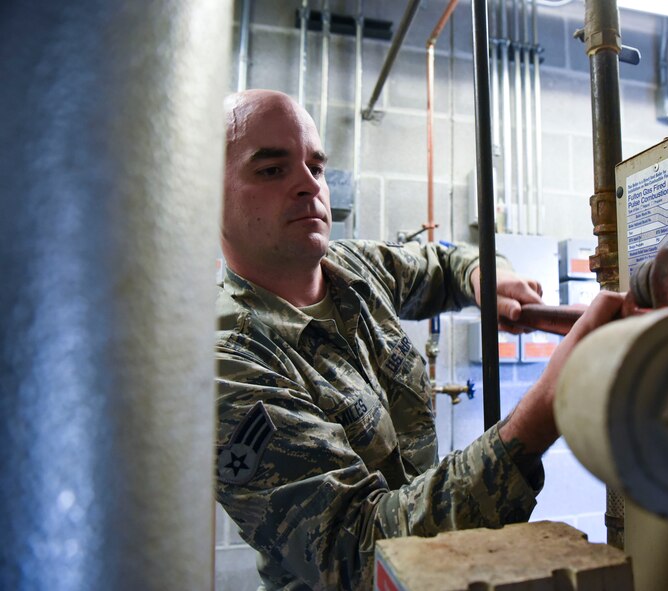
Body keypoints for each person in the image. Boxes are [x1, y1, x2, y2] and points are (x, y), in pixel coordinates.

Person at [215, 89, 625, 590]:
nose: (309, 186)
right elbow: (361, 550)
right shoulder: (229, 361)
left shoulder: (353, 269)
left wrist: (481, 276)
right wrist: (548, 406)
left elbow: (442, 262)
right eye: (272, 170)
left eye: (316, 167)